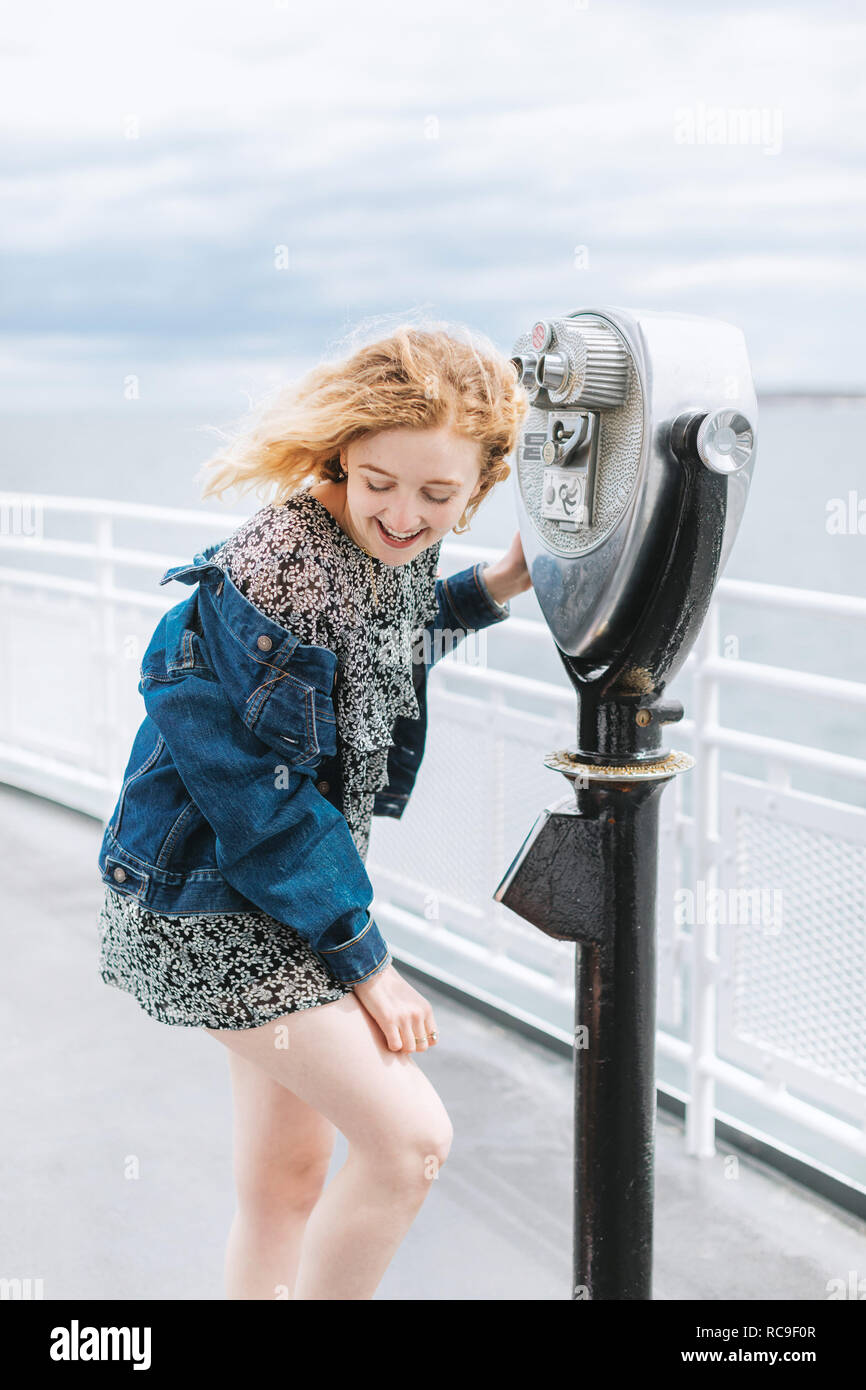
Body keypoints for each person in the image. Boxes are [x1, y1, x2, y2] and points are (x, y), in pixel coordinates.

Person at [96, 320, 533, 1299]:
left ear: (478, 488)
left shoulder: (388, 544)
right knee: (411, 1141)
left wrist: (488, 588)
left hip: (278, 897)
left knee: (287, 1180)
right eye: (378, 480)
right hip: (215, 905)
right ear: (343, 451)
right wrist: (365, 959)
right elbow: (259, 796)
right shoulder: (278, 573)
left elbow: (388, 631)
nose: (401, 513)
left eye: (436, 494)